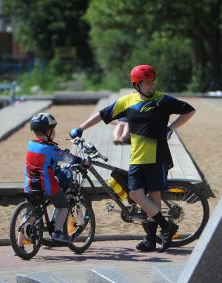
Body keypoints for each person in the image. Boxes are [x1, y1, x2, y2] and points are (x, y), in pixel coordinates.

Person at [69, 65, 196, 252]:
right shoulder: (127, 101)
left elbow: (189, 111)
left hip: (157, 155)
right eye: (147, 83)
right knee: (136, 194)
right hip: (137, 157)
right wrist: (80, 128)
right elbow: (102, 115)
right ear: (136, 84)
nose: (151, 86)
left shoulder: (163, 99)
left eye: (153, 82)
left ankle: (151, 240)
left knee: (154, 197)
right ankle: (166, 226)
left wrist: (171, 127)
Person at [19, 112, 89, 246]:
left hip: (29, 185)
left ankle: (20, 244)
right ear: (48, 131)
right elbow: (68, 158)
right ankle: (57, 232)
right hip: (47, 186)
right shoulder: (50, 149)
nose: (54, 132)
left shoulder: (30, 145)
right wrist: (82, 161)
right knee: (63, 205)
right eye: (53, 129)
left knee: (30, 214)